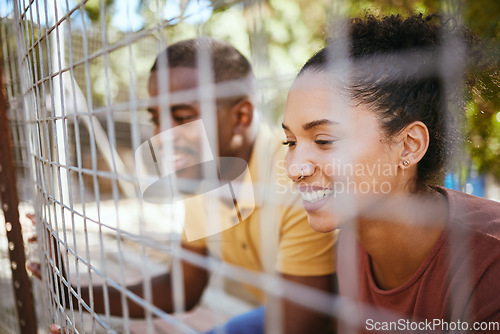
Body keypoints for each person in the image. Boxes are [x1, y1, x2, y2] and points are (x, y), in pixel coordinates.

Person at [33, 37, 338, 334]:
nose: (162, 136)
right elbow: (182, 287)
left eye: (181, 116)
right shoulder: (205, 175)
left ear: (241, 116)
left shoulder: (295, 180)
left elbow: (303, 324)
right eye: (156, 118)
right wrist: (69, 291)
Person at [281, 14, 500, 333]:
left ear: (409, 146)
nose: (294, 168)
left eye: (324, 141)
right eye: (290, 141)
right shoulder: (350, 244)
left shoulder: (488, 266)